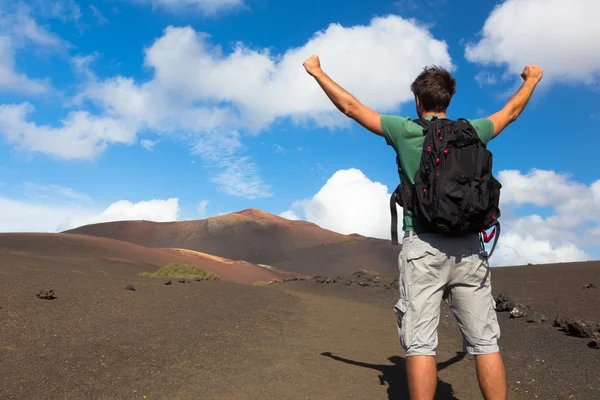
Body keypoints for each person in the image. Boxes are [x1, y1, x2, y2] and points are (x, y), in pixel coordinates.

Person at [303, 55, 543, 400]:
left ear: (418, 100)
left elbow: (351, 107)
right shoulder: (473, 131)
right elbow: (511, 112)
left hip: (423, 246)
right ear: (448, 99)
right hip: (469, 249)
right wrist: (532, 78)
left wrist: (317, 71)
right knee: (485, 342)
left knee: (420, 345)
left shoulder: (404, 130)